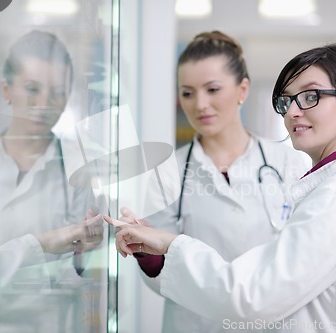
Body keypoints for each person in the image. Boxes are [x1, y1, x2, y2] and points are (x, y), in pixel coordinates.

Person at [107, 43, 336, 333]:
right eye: (287, 101)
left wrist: (171, 244)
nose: (293, 112)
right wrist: (159, 250)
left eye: (310, 96)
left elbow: (251, 294)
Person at [119, 30, 308, 333]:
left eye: (212, 89)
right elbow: (163, 279)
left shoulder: (287, 163)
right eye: (188, 93)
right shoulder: (167, 171)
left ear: (242, 90)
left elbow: (302, 258)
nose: (200, 104)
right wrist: (145, 251)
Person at [0, 30, 104, 329]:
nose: (44, 103)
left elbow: (81, 270)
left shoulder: (81, 170)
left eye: (57, 91)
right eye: (32, 88)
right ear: (6, 90)